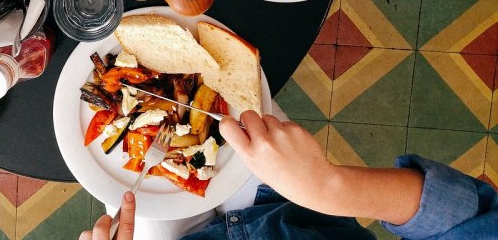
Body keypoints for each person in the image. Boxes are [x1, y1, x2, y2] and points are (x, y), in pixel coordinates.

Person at [81, 111, 498, 240]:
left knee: (122, 173)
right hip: (297, 210)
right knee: (239, 109)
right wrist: (328, 186)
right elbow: (470, 217)